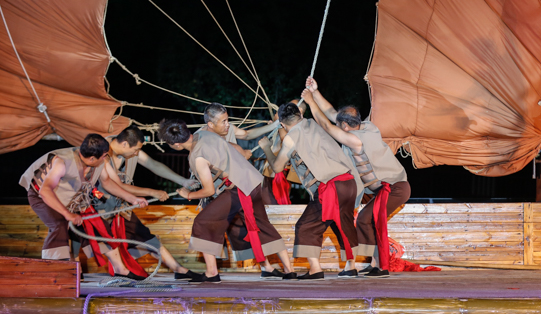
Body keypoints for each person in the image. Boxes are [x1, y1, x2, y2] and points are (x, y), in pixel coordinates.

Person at [159, 119, 296, 283]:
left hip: (239, 190)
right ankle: (288, 270)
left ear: (175, 145)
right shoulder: (203, 132)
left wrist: (188, 194)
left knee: (203, 222)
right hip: (253, 182)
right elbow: (231, 146)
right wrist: (242, 153)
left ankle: (211, 273)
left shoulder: (197, 157)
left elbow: (209, 191)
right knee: (262, 226)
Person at [304, 77, 411, 277]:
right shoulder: (368, 126)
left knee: (366, 218)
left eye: (340, 125)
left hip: (395, 188)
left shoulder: (355, 140)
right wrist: (315, 92)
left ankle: (381, 266)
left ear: (345, 126)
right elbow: (332, 114)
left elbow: (327, 126)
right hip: (389, 188)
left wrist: (310, 102)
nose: (338, 126)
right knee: (366, 219)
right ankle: (377, 263)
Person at [19, 134, 149, 278]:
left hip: (72, 200)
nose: (106, 158)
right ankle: (58, 272)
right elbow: (45, 191)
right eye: (104, 156)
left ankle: (120, 270)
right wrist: (68, 215)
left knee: (98, 226)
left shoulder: (98, 162)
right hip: (42, 197)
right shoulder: (62, 163)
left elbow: (107, 183)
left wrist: (133, 199)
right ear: (92, 158)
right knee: (59, 225)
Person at [95, 125, 202, 281]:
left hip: (118, 206)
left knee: (145, 235)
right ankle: (73, 273)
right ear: (125, 144)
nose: (137, 153)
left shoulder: (130, 150)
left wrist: (183, 181)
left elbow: (154, 165)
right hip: (97, 208)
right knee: (82, 239)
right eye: (136, 150)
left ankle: (178, 269)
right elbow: (117, 185)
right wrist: (152, 192)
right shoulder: (102, 151)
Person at [270, 101, 361, 280]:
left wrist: (267, 147)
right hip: (349, 182)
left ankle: (315, 269)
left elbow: (277, 167)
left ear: (282, 123)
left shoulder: (290, 138)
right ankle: (350, 267)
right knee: (342, 225)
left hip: (331, 187)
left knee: (306, 226)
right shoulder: (313, 123)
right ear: (300, 115)